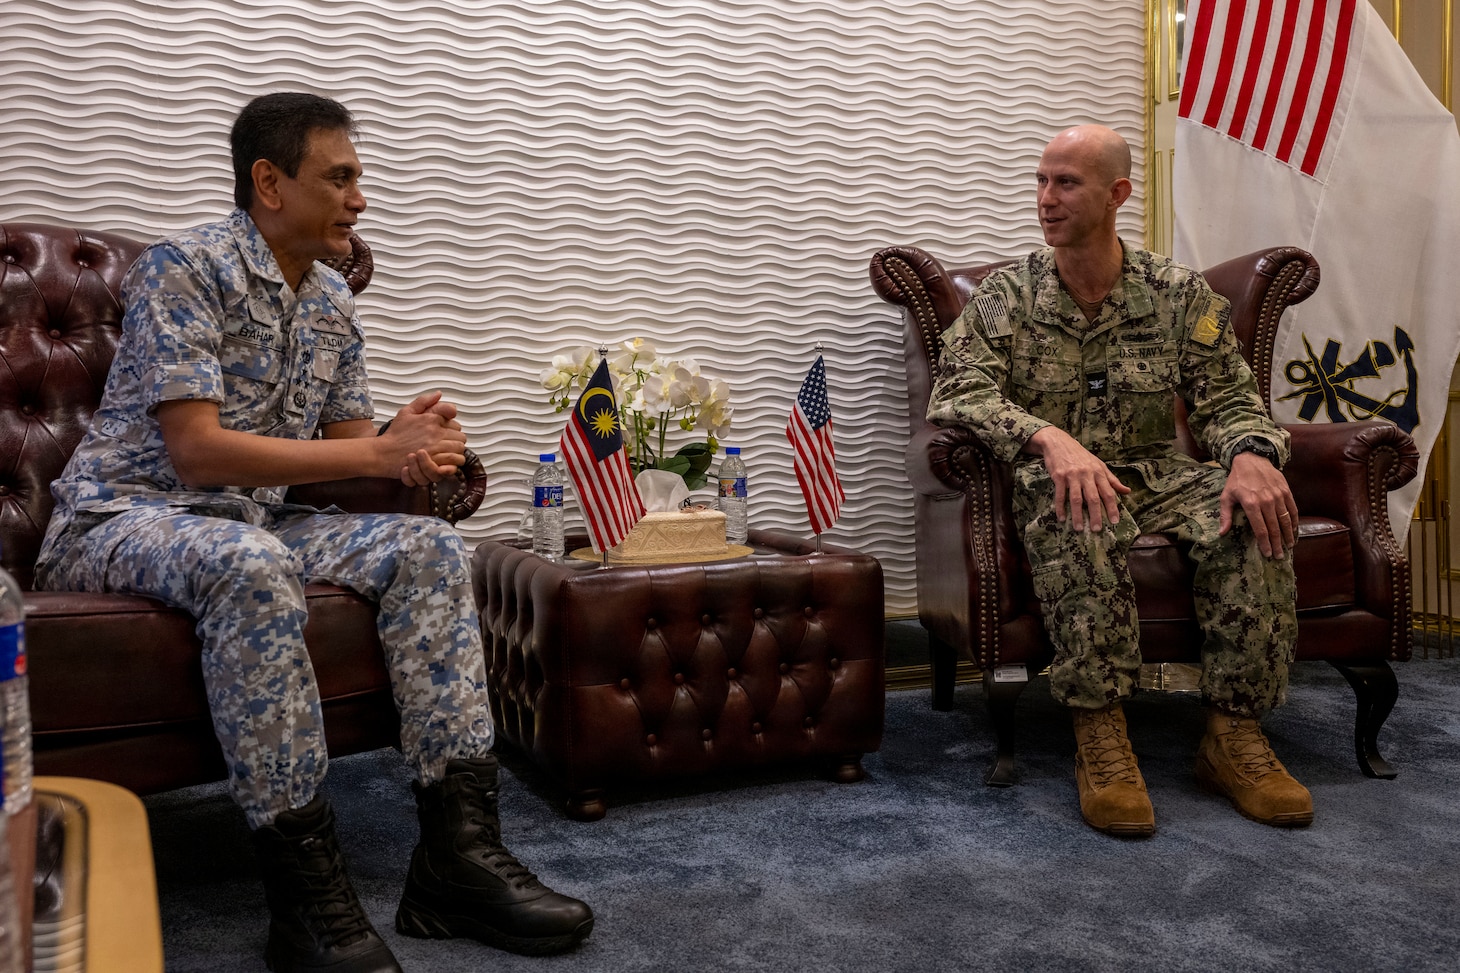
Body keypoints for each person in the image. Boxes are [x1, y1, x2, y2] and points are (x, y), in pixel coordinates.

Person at [33, 92, 593, 971]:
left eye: (358, 177)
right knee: (251, 563)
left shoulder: (331, 297)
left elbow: (339, 452)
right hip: (122, 516)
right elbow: (195, 453)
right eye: (340, 177)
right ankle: (306, 898)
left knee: (433, 547)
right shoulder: (186, 267)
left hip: (250, 518)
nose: (360, 197)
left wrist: (400, 448)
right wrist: (378, 451)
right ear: (269, 182)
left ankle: (456, 859)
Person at [926, 124, 1313, 838]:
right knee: (1079, 499)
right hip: (1058, 476)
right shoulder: (1007, 297)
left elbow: (1227, 397)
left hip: (1158, 471)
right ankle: (1100, 730)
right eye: (1041, 181)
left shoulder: (1176, 295)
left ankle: (1234, 735)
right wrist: (1046, 437)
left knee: (1252, 513)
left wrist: (1253, 453)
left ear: (1117, 195)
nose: (1046, 199)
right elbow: (957, 393)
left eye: (1066, 183)